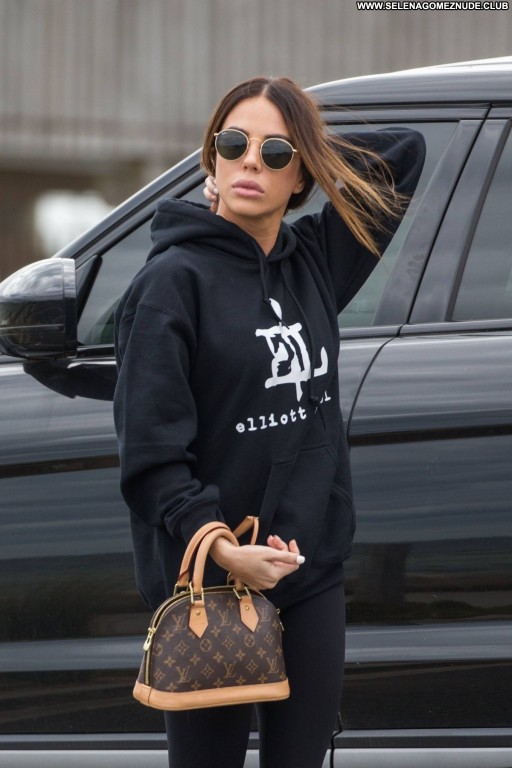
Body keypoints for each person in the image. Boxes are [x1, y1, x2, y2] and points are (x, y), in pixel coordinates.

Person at [113, 76, 425, 768]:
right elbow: (150, 456)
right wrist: (225, 550)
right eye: (233, 144)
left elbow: (404, 152)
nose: (251, 161)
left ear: (302, 176)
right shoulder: (170, 285)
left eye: (277, 152)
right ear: (211, 161)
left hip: (307, 570)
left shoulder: (314, 260)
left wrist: (307, 136)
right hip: (211, 583)